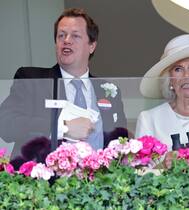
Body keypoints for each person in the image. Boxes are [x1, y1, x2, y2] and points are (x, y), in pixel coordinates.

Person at [0, 8, 126, 159]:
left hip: (97, 179)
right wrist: (63, 127)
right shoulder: (32, 80)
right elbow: (6, 124)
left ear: (92, 46)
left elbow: (120, 140)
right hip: (43, 179)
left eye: (75, 35)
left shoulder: (109, 91)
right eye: (61, 35)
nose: (66, 40)